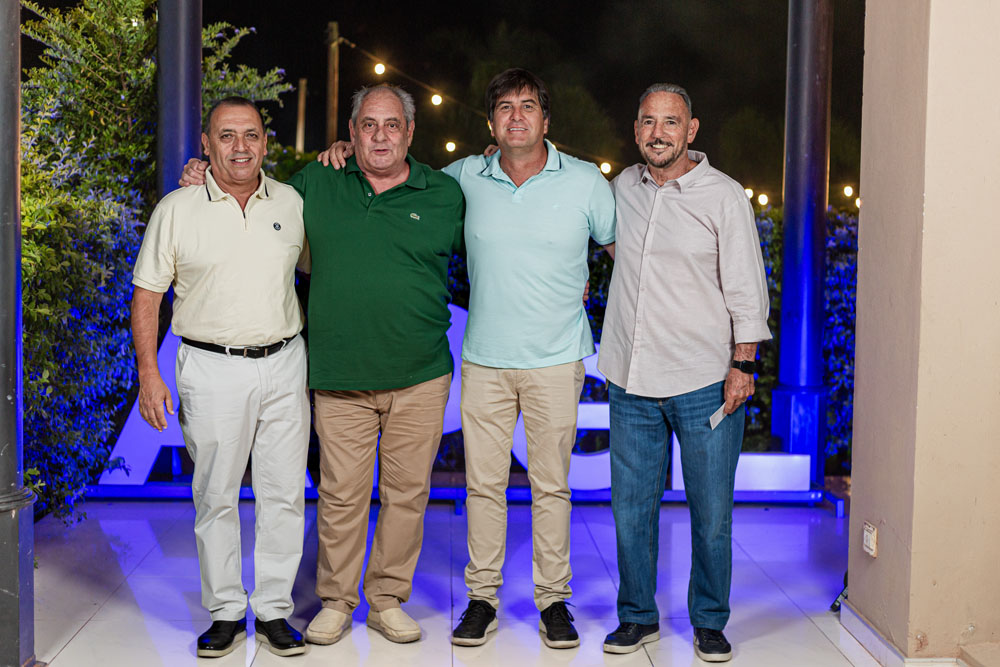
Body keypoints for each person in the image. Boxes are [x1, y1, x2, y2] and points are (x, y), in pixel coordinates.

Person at [320, 67, 615, 649]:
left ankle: (554, 600)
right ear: (490, 122)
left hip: (557, 360)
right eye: (504, 108)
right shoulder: (462, 178)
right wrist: (344, 150)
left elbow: (621, 253)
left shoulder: (585, 181)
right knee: (483, 486)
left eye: (527, 106)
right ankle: (482, 598)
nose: (516, 117)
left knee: (552, 487)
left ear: (546, 119)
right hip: (484, 359)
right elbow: (400, 178)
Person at [183, 84, 465, 645]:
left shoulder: (445, 194)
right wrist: (202, 173)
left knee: (408, 495)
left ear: (410, 132)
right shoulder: (316, 183)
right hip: (339, 375)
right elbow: (253, 195)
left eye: (392, 125)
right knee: (341, 495)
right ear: (351, 133)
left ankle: (387, 600)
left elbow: (495, 249)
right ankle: (337, 600)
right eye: (368, 125)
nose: (380, 136)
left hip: (421, 375)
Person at [597, 83, 771, 662]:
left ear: (691, 130)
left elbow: (747, 288)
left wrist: (743, 364)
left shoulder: (724, 196)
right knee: (631, 511)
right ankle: (636, 617)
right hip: (631, 380)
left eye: (670, 122)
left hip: (704, 381)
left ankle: (710, 622)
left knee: (711, 514)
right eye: (648, 121)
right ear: (636, 129)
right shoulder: (622, 187)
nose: (658, 133)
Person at [133, 97, 309, 658]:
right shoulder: (177, 208)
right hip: (210, 367)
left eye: (250, 135)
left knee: (284, 493)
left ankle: (274, 609)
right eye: (226, 136)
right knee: (215, 495)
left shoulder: (291, 202)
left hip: (285, 363)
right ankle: (227, 611)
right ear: (206, 145)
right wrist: (149, 374)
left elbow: (317, 266)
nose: (240, 147)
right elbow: (147, 295)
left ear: (265, 142)